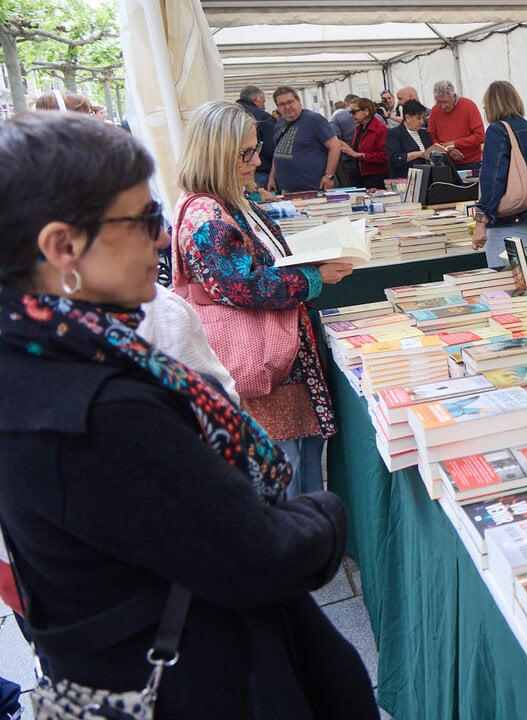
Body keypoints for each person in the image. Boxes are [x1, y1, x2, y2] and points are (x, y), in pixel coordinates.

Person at [0, 111, 377, 718]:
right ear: (62, 247)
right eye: (142, 219)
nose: (160, 238)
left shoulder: (41, 355)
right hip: (198, 677)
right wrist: (326, 513)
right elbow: (259, 553)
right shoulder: (102, 408)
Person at [174, 100, 354, 498]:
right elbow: (240, 286)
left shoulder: (227, 200)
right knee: (285, 476)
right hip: (263, 370)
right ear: (215, 153)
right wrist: (312, 276)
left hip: (278, 366)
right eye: (246, 153)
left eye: (256, 149)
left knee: (297, 469)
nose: (256, 160)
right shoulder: (207, 212)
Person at [471, 81, 527, 269]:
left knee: (505, 291)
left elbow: (492, 181)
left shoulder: (497, 131)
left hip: (509, 228)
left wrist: (480, 223)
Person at [267, 86, 342, 193]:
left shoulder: (314, 120)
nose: (287, 107)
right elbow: (278, 151)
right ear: (277, 107)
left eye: (290, 102)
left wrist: (329, 176)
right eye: (282, 104)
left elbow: (335, 146)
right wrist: (272, 176)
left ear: (298, 101)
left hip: (315, 189)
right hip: (287, 190)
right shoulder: (280, 123)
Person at [426, 80, 486, 173]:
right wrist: (447, 150)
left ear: (454, 96)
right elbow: (433, 137)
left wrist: (454, 144)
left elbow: (480, 136)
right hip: (445, 163)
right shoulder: (434, 111)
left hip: (471, 163)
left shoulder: (468, 106)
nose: (442, 106)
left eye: (445, 102)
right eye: (438, 102)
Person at [344, 97, 390, 190]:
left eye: (354, 112)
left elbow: (384, 155)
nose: (351, 116)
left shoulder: (380, 129)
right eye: (350, 112)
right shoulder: (360, 128)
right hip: (361, 174)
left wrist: (361, 155)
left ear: (366, 111)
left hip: (376, 177)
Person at [236, 85, 276, 190]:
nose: (264, 107)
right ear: (255, 100)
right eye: (263, 102)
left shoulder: (229, 114)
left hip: (233, 177)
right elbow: (270, 150)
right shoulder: (263, 118)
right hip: (259, 174)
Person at [386, 98, 433, 179]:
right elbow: (395, 159)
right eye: (418, 118)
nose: (422, 122)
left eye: (423, 118)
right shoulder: (394, 134)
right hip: (405, 178)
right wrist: (420, 154)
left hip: (426, 177)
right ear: (407, 117)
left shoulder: (425, 134)